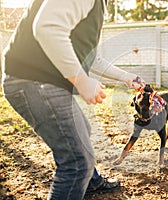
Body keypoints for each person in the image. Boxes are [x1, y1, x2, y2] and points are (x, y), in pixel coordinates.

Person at [1, 0, 144, 199]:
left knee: (80, 131)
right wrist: (82, 80)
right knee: (78, 162)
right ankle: (84, 178)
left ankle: (90, 182)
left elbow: (91, 57)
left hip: (38, 79)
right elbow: (47, 27)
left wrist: (126, 77)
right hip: (33, 80)